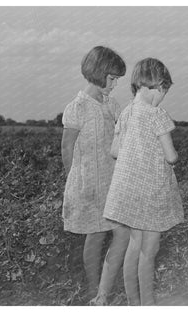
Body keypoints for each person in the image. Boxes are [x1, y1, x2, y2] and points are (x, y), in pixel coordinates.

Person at [102, 58, 184, 306]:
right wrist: (175, 156)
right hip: (151, 192)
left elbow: (115, 151)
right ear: (156, 87)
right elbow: (170, 156)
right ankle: (148, 305)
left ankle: (133, 303)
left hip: (128, 191)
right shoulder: (157, 115)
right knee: (149, 253)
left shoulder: (126, 112)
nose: (162, 98)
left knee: (133, 249)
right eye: (163, 92)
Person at [61, 46, 130, 303]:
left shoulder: (112, 104)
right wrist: (74, 181)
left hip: (112, 179)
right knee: (96, 234)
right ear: (98, 73)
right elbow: (67, 147)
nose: (114, 85)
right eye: (112, 79)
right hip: (88, 183)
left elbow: (121, 139)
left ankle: (106, 288)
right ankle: (95, 290)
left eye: (117, 80)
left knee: (122, 232)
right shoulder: (77, 106)